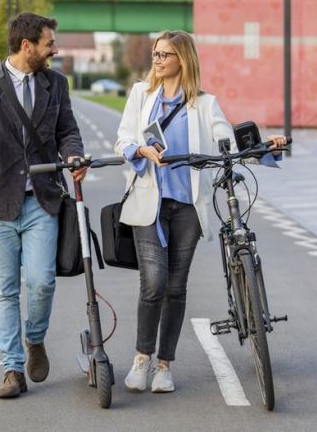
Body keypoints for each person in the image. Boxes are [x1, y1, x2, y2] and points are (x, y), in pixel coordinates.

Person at [113, 30, 288, 394]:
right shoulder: (140, 95)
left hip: (188, 208)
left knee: (176, 288)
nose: (157, 60)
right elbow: (123, 139)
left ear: (183, 59)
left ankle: (165, 364)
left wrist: (262, 147)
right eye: (155, 54)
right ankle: (142, 358)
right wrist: (140, 151)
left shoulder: (205, 105)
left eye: (165, 55)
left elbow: (225, 140)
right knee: (154, 284)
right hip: (149, 204)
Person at [0, 12, 87, 399]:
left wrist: (74, 156)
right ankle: (12, 369)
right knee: (5, 290)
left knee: (41, 281)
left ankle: (34, 339)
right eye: (49, 43)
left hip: (41, 198)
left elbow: (67, 130)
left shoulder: (56, 84)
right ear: (27, 46)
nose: (54, 49)